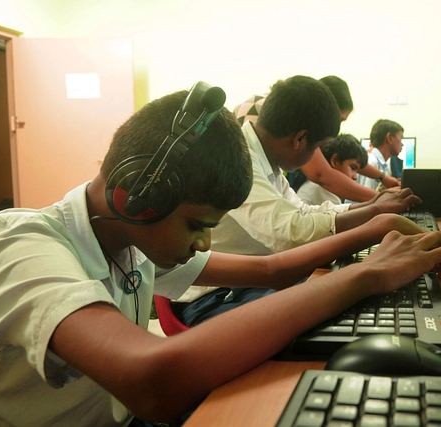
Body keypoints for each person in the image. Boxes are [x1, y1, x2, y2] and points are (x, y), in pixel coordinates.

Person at [0, 85, 441, 426]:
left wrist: (377, 229)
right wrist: (366, 277)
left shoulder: (129, 236)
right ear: (133, 197)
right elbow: (152, 379)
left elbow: (270, 270)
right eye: (199, 226)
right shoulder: (22, 243)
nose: (204, 243)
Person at [173, 76, 422, 325]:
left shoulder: (266, 160)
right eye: (318, 147)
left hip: (247, 284)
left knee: (347, 303)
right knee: (332, 314)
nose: (316, 157)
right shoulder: (238, 159)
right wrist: (375, 218)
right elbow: (290, 233)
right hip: (217, 296)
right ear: (300, 138)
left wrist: (368, 207)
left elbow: (301, 212)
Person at [232, 75, 399, 201]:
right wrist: (381, 200)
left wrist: (383, 178)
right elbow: (322, 174)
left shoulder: (283, 105)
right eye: (339, 118)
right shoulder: (281, 123)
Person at [297, 133, 368, 205]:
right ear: (335, 161)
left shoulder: (316, 186)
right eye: (353, 168)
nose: (355, 177)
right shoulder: (324, 193)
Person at [357, 119, 405, 190]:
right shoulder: (372, 162)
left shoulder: (380, 164)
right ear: (389, 138)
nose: (402, 144)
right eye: (400, 139)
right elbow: (364, 199)